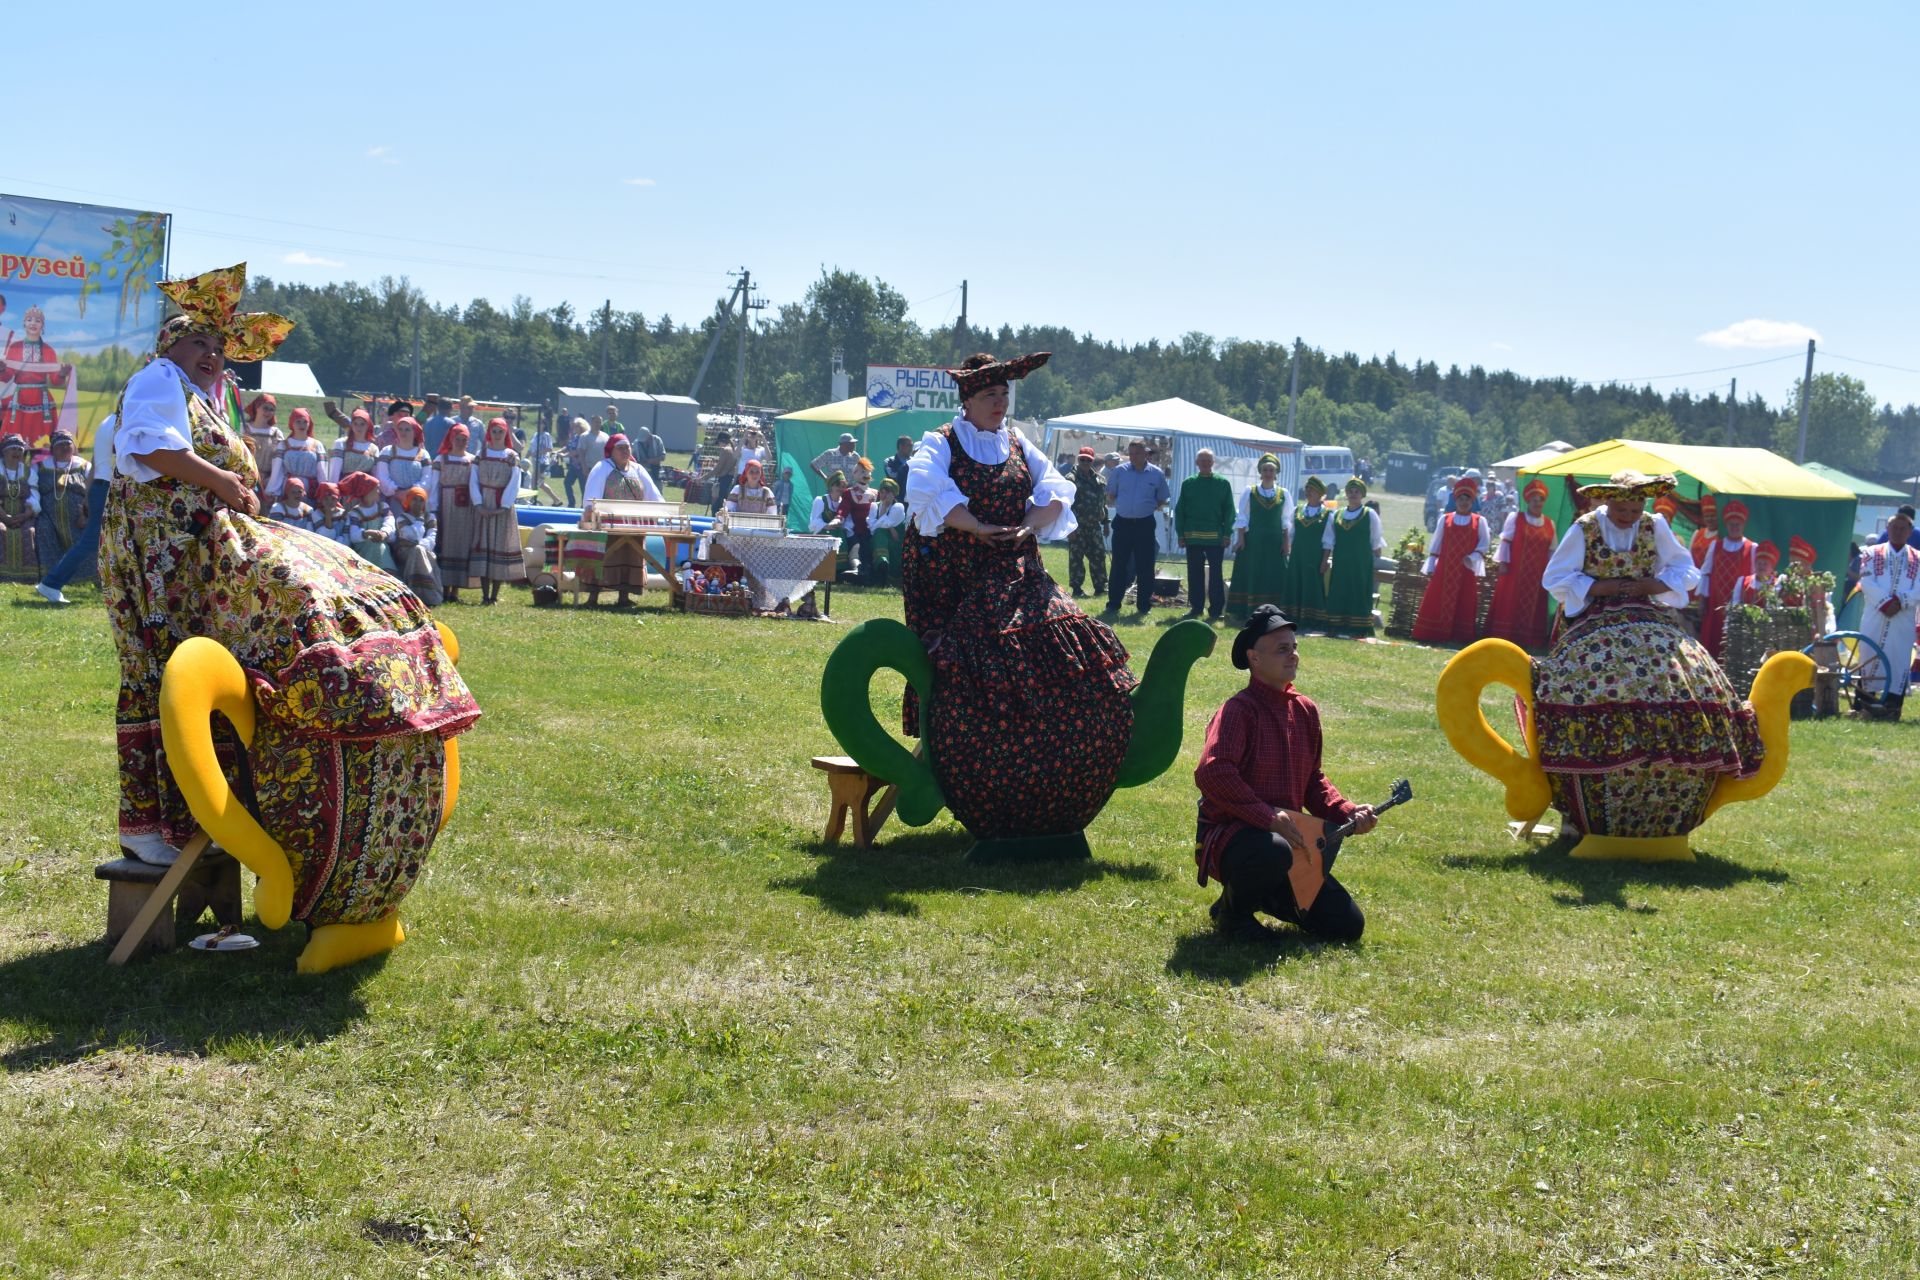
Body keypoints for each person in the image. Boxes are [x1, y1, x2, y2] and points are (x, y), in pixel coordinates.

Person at [101, 261, 476, 873]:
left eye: (220, 347)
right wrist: (224, 478)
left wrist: (236, 490)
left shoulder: (205, 395)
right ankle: (148, 826)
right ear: (171, 344)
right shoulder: (159, 378)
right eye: (199, 340)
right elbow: (145, 445)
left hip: (196, 552)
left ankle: (217, 807)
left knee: (214, 669)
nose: (212, 354)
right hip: (158, 554)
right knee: (162, 672)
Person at [901, 351, 1136, 839]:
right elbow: (924, 491)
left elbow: (1054, 489)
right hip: (958, 578)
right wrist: (980, 527)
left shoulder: (1016, 441)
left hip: (1016, 568)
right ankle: (981, 778)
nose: (1000, 402)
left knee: (1062, 641)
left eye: (1004, 394)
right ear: (968, 400)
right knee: (976, 665)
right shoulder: (941, 443)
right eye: (991, 394)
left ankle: (1052, 774)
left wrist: (1025, 526)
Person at [1534, 471, 1761, 817]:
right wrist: (1599, 588)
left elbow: (1687, 570)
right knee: (1579, 678)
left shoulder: (1654, 525)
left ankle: (1668, 763)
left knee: (1676, 671)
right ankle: (1578, 791)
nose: (1628, 518)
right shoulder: (1585, 528)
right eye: (1621, 510)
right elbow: (1554, 577)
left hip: (1644, 612)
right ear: (1608, 502)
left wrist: (1651, 586)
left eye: (1635, 510)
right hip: (1590, 614)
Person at [1193, 605, 1374, 944]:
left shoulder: (1305, 710)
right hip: (1235, 838)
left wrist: (1348, 811)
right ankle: (1234, 917)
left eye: (1294, 647)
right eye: (1281, 649)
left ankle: (1253, 896)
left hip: (1286, 843)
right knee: (1273, 850)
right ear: (1254, 658)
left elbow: (1313, 781)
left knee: (1347, 926)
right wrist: (1268, 816)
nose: (1293, 655)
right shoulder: (1237, 711)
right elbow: (1212, 772)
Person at [34, 412, 115, 603]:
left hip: (102, 486)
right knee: (92, 541)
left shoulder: (107, 423)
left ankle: (52, 583)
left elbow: (96, 463)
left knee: (99, 540)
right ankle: (51, 582)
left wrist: (88, 497)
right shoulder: (120, 424)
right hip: (110, 487)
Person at [579, 433, 663, 606]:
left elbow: (653, 494)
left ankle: (624, 596)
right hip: (605, 522)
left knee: (630, 556)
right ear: (612, 451)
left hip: (633, 523)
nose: (625, 451)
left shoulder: (637, 469)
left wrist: (661, 510)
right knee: (602, 556)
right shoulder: (602, 467)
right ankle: (593, 596)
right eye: (620, 448)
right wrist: (590, 511)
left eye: (627, 447)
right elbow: (591, 495)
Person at [1412, 475, 1490, 645]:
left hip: (1465, 569)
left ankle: (1458, 635)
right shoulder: (1445, 519)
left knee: (1464, 601)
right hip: (1444, 570)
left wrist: (1473, 557)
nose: (1463, 502)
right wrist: (1431, 565)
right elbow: (1436, 543)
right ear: (1455, 500)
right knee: (1437, 600)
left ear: (1472, 501)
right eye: (1460, 498)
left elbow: (1484, 543)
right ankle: (1433, 633)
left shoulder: (1479, 521)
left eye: (1467, 499)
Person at [1856, 505, 1917, 714]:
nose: (1897, 531)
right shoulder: (1871, 553)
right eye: (1893, 527)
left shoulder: (1918, 558)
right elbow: (1866, 581)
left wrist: (1901, 601)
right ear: (1887, 528)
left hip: (1903, 617)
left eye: (1902, 528)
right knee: (1869, 653)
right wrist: (1884, 602)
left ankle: (1892, 704)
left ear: (1910, 532)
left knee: (1899, 657)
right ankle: (1864, 701)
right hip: (1876, 614)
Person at [1482, 478, 1557, 650]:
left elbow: (1552, 550)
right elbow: (1506, 541)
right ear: (1527, 501)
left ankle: (1528, 640)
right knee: (1509, 602)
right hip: (1514, 571)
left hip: (1537, 575)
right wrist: (1503, 563)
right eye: (1534, 499)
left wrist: (1551, 572)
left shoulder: (1549, 524)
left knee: (1533, 606)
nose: (1537, 503)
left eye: (1540, 500)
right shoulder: (1516, 518)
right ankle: (1503, 638)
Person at [1104, 438, 1169, 617]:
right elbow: (1111, 495)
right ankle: (1113, 604)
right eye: (1131, 454)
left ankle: (1143, 606)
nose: (1133, 457)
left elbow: (1162, 499)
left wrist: (1143, 508)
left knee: (1145, 566)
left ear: (1145, 454)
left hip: (1144, 524)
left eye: (1137, 453)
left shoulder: (1156, 474)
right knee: (1119, 565)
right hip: (1123, 523)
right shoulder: (1119, 471)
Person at [1225, 454, 1291, 619]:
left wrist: (1286, 542)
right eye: (1265, 470)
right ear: (1260, 473)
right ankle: (1247, 611)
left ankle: (1274, 612)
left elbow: (1286, 520)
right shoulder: (1251, 491)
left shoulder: (1283, 494)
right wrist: (1241, 538)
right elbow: (1242, 517)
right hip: (1253, 542)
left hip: (1275, 543)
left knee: (1273, 575)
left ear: (1276, 473)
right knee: (1253, 573)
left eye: (1271, 470)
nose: (1268, 473)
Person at [1175, 448, 1235, 622]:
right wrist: (1181, 534)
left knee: (1216, 574)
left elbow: (1229, 510)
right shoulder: (1188, 483)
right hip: (1193, 536)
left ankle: (1216, 610)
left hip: (1215, 537)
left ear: (1213, 462)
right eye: (1202, 460)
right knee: (1194, 573)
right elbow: (1180, 510)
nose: (1205, 463)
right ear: (1196, 463)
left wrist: (1227, 533)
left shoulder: (1222, 483)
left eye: (1208, 460)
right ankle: (1196, 607)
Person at [470, 418, 525, 605]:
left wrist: (503, 505)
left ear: (506, 433)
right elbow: (473, 479)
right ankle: (484, 595)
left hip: (502, 506)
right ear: (489, 433)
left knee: (499, 548)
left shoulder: (511, 456)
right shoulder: (482, 454)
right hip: (484, 501)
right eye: (494, 431)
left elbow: (514, 482)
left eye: (500, 431)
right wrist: (478, 504)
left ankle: (494, 595)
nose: (497, 435)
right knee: (484, 547)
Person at [1320, 478, 1384, 636]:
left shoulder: (1369, 514)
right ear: (1346, 493)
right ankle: (1336, 623)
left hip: (1361, 561)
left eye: (1357, 492)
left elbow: (1376, 539)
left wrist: (1376, 553)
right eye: (1350, 491)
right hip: (1341, 560)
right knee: (1339, 588)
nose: (1353, 494)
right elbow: (1328, 540)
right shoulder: (1336, 515)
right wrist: (1324, 560)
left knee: (1358, 589)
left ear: (1362, 494)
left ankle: (1359, 625)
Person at [3, 306, 72, 448]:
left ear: (42, 325)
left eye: (38, 320)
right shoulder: (15, 348)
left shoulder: (48, 350)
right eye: (29, 319)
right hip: (20, 399)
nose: (33, 323)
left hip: (42, 400)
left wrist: (61, 374)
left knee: (43, 448)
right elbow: (7, 376)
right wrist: (2, 370)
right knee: (13, 444)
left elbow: (55, 380)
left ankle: (42, 468)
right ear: (24, 323)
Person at [1696, 498, 1757, 660]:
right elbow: (1706, 573)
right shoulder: (1715, 546)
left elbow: (1754, 579)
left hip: (1739, 606)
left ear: (1743, 525)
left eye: (1738, 524)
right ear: (1727, 525)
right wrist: (1702, 602)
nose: (1735, 527)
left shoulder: (1752, 548)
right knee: (1712, 643)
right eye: (1731, 524)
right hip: (1715, 604)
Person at [33, 430, 90, 576]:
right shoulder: (39, 466)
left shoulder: (84, 465)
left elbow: (92, 491)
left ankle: (83, 576)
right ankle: (52, 576)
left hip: (78, 516)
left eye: (68, 443)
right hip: (48, 517)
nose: (65, 446)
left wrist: (86, 514)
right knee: (44, 529)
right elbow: (33, 491)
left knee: (83, 540)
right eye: (60, 444)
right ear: (53, 448)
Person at [433, 422, 478, 602]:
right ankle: (444, 588)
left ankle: (456, 590)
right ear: (451, 439)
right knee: (446, 543)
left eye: (464, 439)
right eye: (457, 439)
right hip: (446, 504)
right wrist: (433, 508)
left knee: (462, 544)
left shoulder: (473, 460)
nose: (460, 442)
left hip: (465, 507)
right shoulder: (440, 460)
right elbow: (434, 485)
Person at [1281, 477, 1331, 626]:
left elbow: (1328, 541)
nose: (1309, 492)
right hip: (1297, 555)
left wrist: (1324, 560)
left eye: (1313, 489)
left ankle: (1312, 618)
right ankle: (1292, 615)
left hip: (1315, 556)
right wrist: (1287, 548)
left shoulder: (1327, 515)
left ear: (1320, 493)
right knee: (1295, 582)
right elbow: (1290, 533)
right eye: (1307, 488)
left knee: (1312, 584)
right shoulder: (1297, 511)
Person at [1066, 447, 1110, 598]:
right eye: (1082, 459)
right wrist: (1069, 528)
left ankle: (1100, 587)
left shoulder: (1100, 480)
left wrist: (1106, 523)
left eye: (1088, 460)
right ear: (1078, 460)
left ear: (1092, 461)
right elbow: (1065, 505)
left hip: (1094, 526)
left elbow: (1103, 503)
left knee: (1098, 556)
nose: (1085, 462)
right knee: (1076, 558)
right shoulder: (1070, 479)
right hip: (1077, 526)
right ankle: (1077, 588)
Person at [392, 485, 443, 606]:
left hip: (425, 550)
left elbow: (431, 538)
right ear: (409, 501)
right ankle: (417, 594)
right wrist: (419, 521)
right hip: (405, 552)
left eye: (421, 500)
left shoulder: (430, 518)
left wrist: (419, 545)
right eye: (415, 499)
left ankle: (427, 595)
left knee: (418, 550)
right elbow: (411, 535)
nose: (418, 503)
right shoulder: (401, 518)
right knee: (417, 551)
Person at [0, 433, 40, 580]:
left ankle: (28, 577)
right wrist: (5, 518)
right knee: (1, 530)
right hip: (1, 515)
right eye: (13, 449)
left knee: (29, 532)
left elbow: (34, 496)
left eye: (19, 449)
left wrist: (25, 515)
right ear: (4, 452)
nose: (17, 452)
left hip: (23, 515)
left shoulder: (29, 472)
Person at [379, 416, 438, 515]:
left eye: (407, 429)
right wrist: (397, 492)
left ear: (415, 432)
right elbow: (382, 476)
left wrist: (409, 493)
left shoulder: (423, 454)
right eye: (400, 429)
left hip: (416, 502)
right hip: (392, 500)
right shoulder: (387, 451)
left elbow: (427, 480)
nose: (403, 432)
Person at [340, 471, 397, 572]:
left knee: (380, 546)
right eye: (376, 489)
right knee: (374, 546)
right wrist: (367, 533)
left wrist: (384, 532)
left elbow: (390, 522)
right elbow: (354, 536)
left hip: (381, 544)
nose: (379, 491)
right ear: (367, 491)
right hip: (364, 549)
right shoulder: (355, 513)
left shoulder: (383, 507)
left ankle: (387, 572)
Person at [837, 464, 876, 576]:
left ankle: (869, 569)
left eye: (868, 472)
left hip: (870, 529)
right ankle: (856, 568)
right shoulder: (849, 493)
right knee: (856, 546)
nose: (866, 474)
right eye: (862, 472)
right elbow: (843, 508)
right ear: (855, 474)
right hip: (854, 529)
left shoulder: (875, 493)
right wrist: (839, 517)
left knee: (868, 546)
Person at [868, 478, 907, 585]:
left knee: (880, 531)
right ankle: (882, 564)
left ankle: (884, 567)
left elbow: (881, 524)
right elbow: (872, 528)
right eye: (882, 492)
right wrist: (890, 528)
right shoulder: (874, 506)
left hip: (895, 542)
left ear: (894, 495)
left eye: (888, 492)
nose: (884, 495)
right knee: (879, 532)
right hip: (878, 541)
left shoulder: (898, 507)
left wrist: (887, 524)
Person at [331, 409, 381, 488]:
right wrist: (334, 490)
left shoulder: (374, 449)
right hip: (345, 489)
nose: (358, 427)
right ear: (351, 425)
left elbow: (376, 475)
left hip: (365, 492)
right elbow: (334, 472)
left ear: (368, 425)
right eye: (355, 424)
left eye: (362, 424)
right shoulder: (341, 444)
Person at [240, 393, 281, 490]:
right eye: (265, 408)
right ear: (257, 407)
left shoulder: (276, 434)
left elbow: (278, 463)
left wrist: (272, 485)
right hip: (244, 478)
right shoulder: (243, 429)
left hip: (266, 482)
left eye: (272, 409)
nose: (268, 412)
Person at [1689, 492, 1717, 568]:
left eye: (1713, 516)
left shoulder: (1721, 535)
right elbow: (1689, 555)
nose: (1709, 519)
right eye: (1707, 516)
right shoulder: (1697, 533)